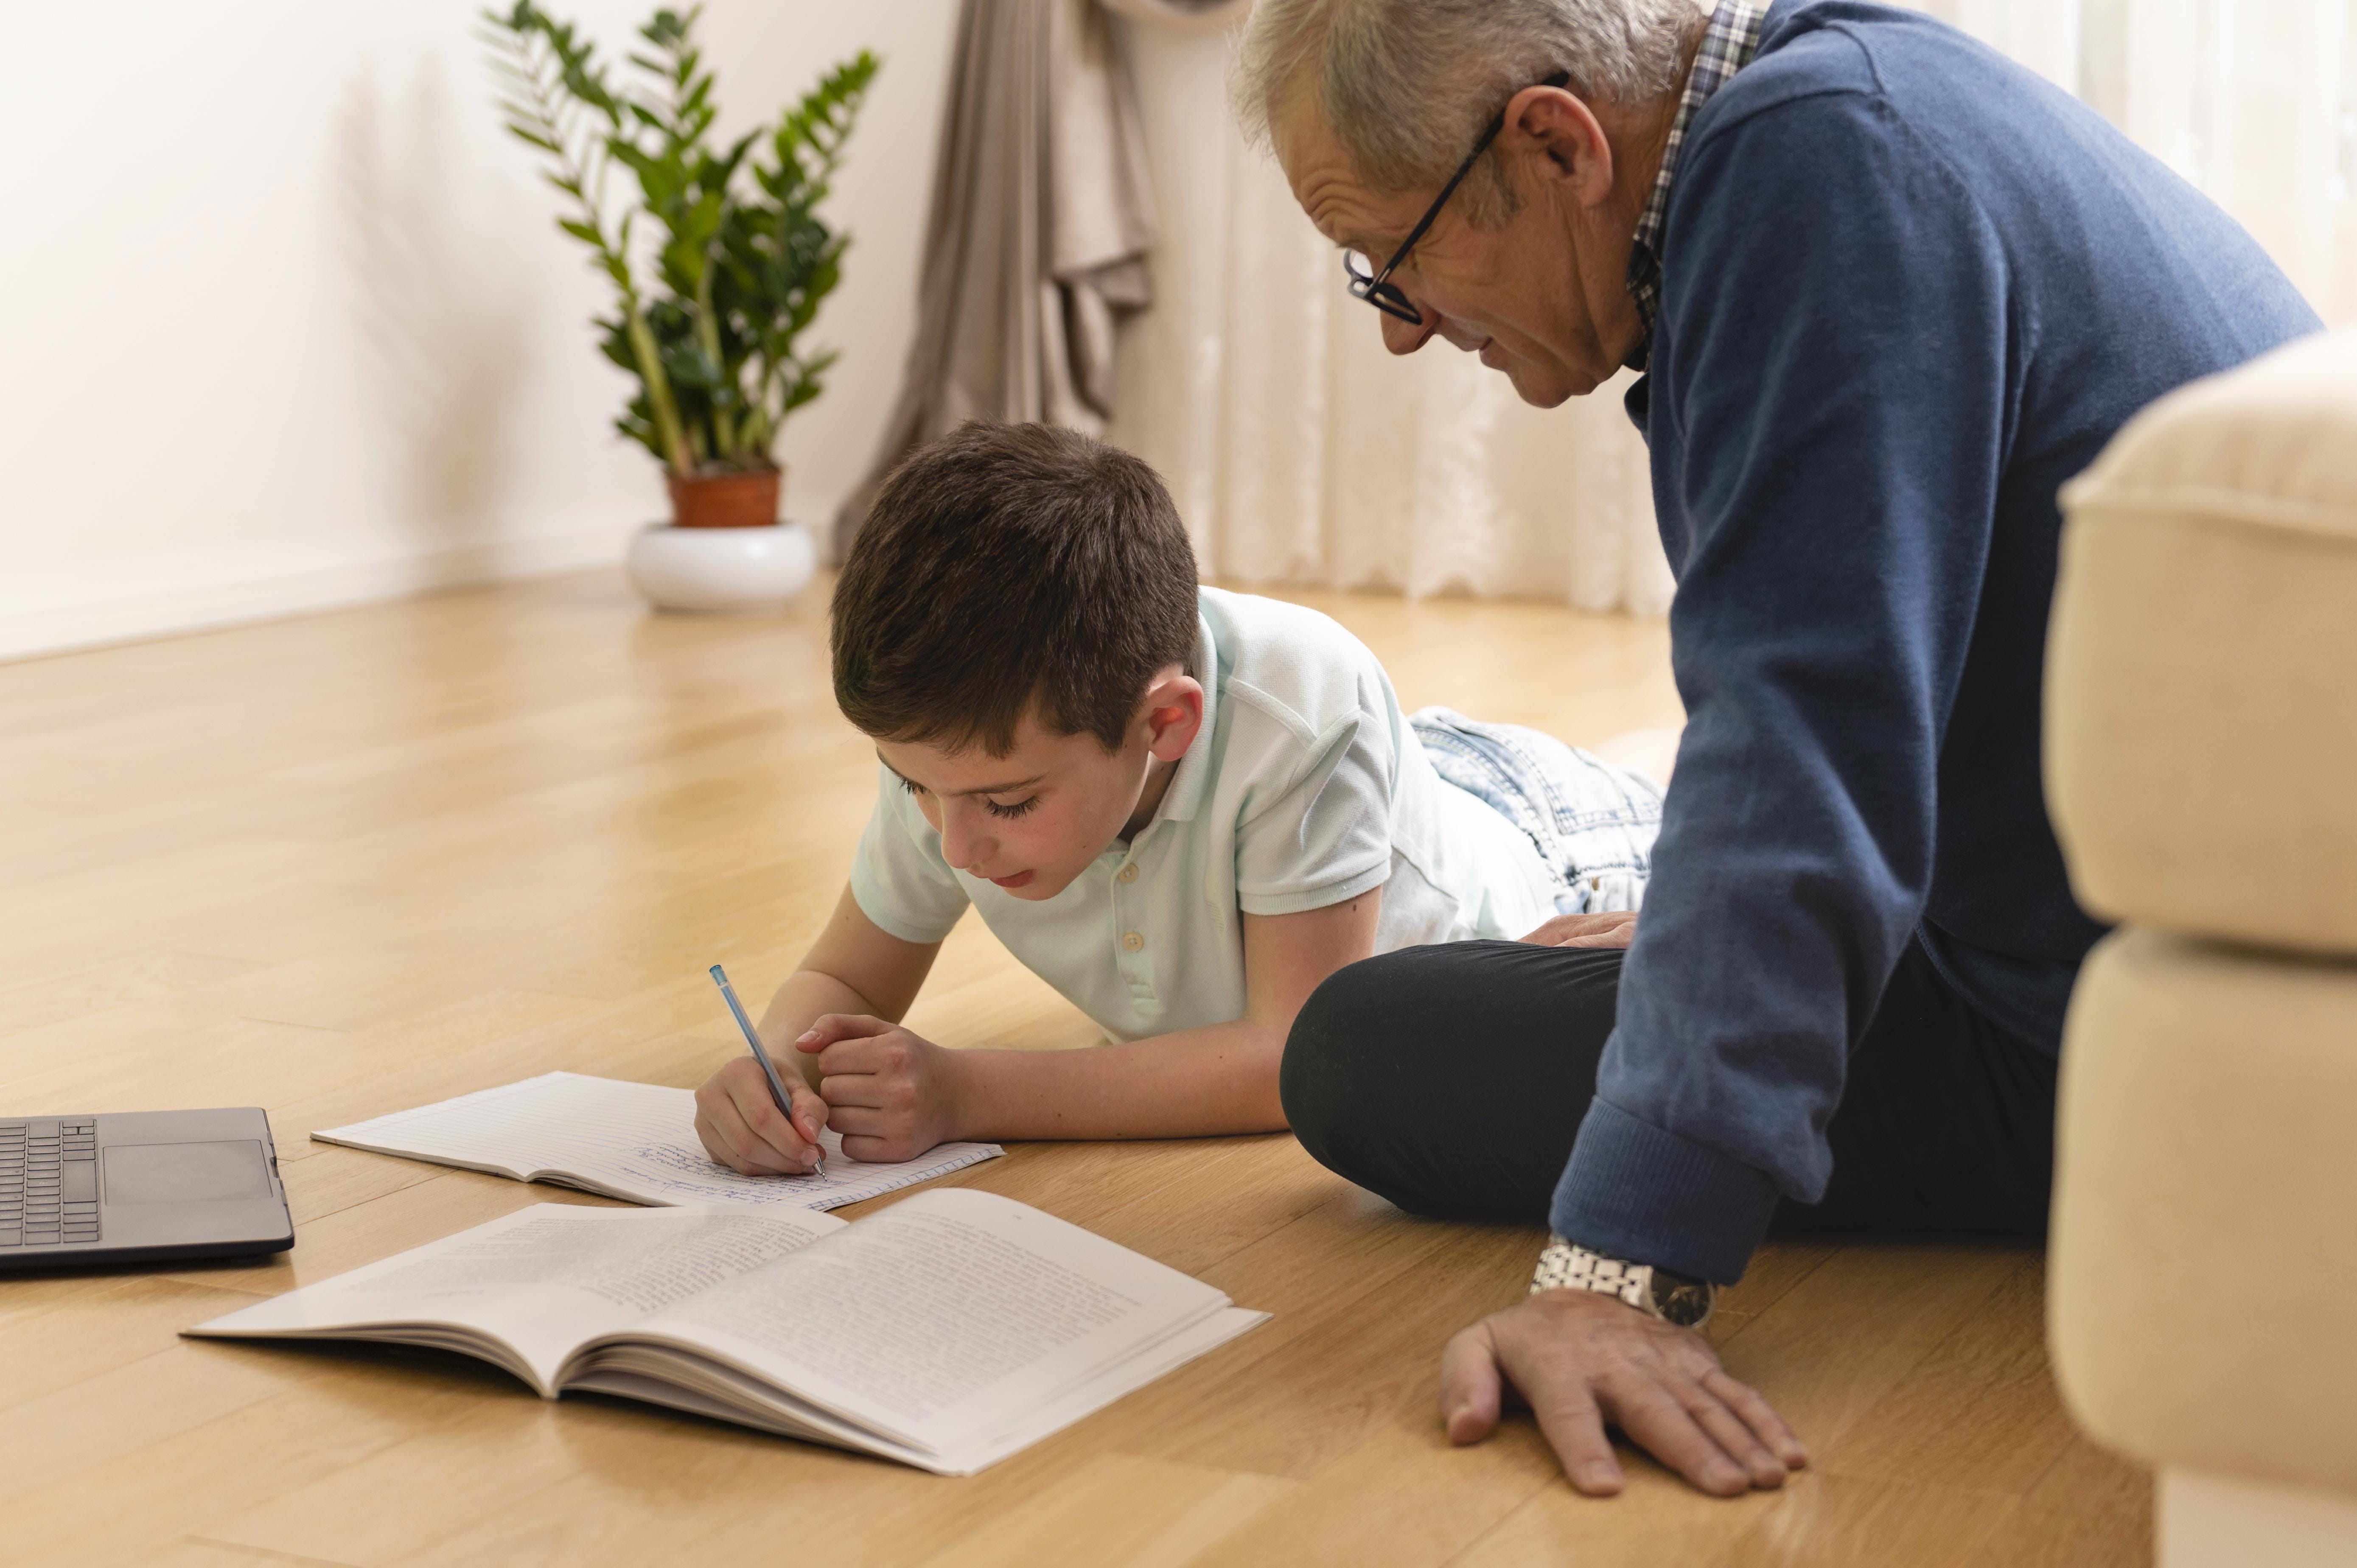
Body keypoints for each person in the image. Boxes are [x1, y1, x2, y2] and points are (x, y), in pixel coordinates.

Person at [1232, 0, 2322, 1499]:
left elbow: (1801, 739)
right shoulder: (1850, 91)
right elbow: (1856, 668)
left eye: (1394, 261)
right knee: (1527, 984)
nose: (1403, 327)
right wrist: (1698, 935)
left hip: (2098, 1018)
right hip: (2118, 929)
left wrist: (1615, 1266)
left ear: (1555, 141)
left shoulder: (1814, 168)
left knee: (1362, 1049)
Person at [691, 419, 1666, 1174]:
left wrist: (963, 1090)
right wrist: (773, 1068)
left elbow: (1294, 1057)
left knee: (1711, 808)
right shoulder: (962, 756)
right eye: (915, 788)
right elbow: (848, 985)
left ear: (1168, 723)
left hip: (1546, 845)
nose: (955, 845)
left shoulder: (1306, 703)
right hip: (1402, 786)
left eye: (1010, 804)